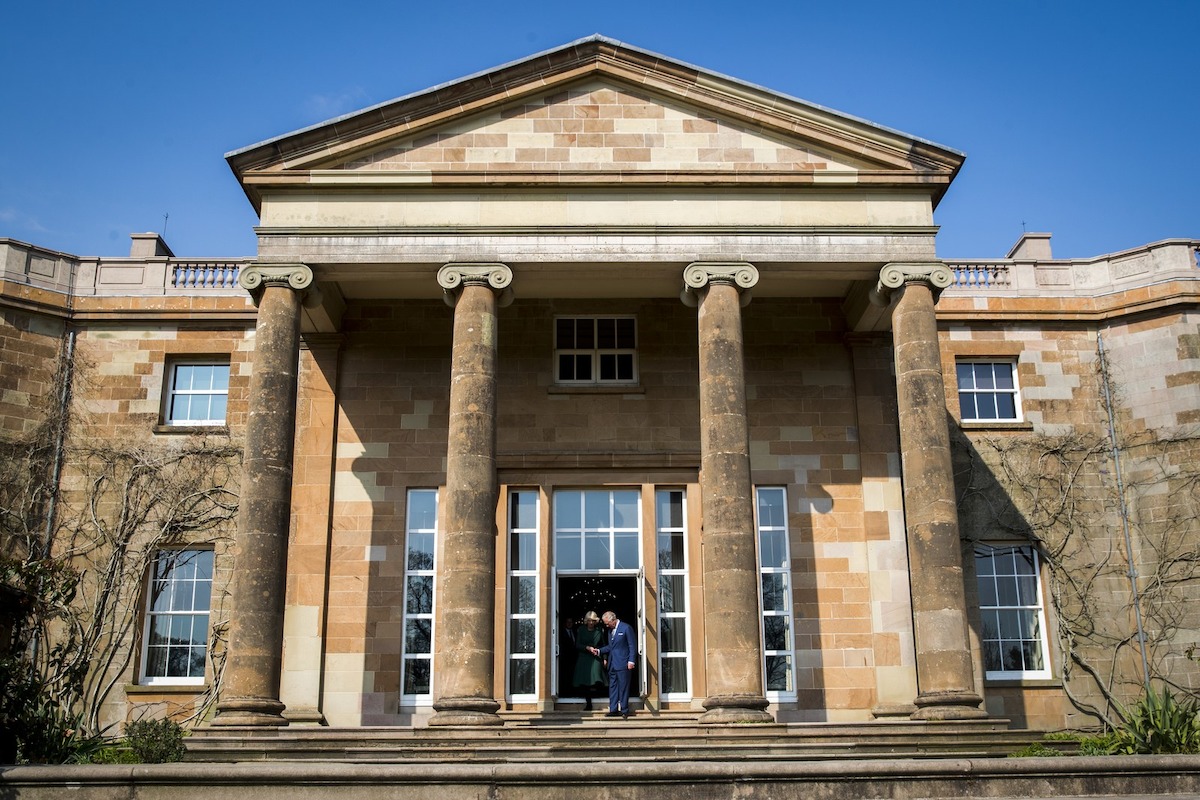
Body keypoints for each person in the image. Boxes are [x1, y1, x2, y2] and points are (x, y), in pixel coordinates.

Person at [589, 610, 637, 718]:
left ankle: (624, 710)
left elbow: (632, 646)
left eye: (607, 623)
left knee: (623, 687)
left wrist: (631, 661)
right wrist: (599, 651)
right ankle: (613, 709)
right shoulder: (610, 631)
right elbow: (611, 647)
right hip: (612, 664)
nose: (606, 626)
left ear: (613, 620)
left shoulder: (626, 628)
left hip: (623, 663)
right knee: (613, 687)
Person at [572, 610, 606, 709]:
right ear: (586, 620)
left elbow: (603, 645)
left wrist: (605, 658)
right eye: (589, 620)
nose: (591, 623)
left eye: (593, 621)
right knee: (585, 681)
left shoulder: (599, 630)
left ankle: (600, 700)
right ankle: (589, 703)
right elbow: (577, 645)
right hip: (584, 657)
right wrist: (587, 647)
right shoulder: (581, 630)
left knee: (597, 678)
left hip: (596, 657)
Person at [558, 615, 577, 697]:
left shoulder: (575, 632)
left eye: (571, 622)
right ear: (565, 623)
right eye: (568, 622)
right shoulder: (561, 633)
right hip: (565, 659)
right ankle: (566, 693)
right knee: (565, 677)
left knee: (572, 676)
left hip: (574, 659)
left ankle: (572, 692)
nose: (569, 624)